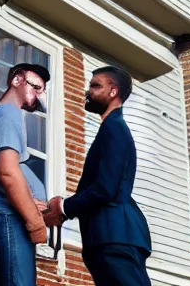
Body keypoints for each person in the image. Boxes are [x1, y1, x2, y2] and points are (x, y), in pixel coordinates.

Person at [44, 66, 152, 286]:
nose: (88, 91)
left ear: (113, 92)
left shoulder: (114, 128)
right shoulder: (111, 128)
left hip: (115, 237)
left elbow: (105, 188)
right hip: (108, 237)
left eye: (95, 86)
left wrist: (64, 208)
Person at [0, 62, 50, 286]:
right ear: (16, 80)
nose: (39, 95)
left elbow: (1, 169)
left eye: (42, 90)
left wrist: (30, 200)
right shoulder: (9, 114)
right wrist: (36, 223)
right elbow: (7, 171)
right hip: (7, 218)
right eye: (35, 87)